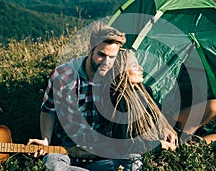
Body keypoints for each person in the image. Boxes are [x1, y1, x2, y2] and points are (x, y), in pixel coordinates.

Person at [27, 23, 176, 171]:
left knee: (133, 164)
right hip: (67, 146)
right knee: (51, 165)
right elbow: (48, 110)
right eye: (101, 55)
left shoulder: (117, 74)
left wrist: (163, 127)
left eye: (112, 57)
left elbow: (142, 98)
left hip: (106, 148)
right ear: (89, 49)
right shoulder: (63, 76)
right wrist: (46, 140)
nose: (107, 62)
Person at [116, 50, 216, 147]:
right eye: (134, 66)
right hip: (158, 141)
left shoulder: (144, 89)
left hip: (167, 125)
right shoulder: (119, 101)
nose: (140, 68)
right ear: (121, 71)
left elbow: (158, 114)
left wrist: (165, 127)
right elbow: (128, 142)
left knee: (215, 106)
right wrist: (159, 143)